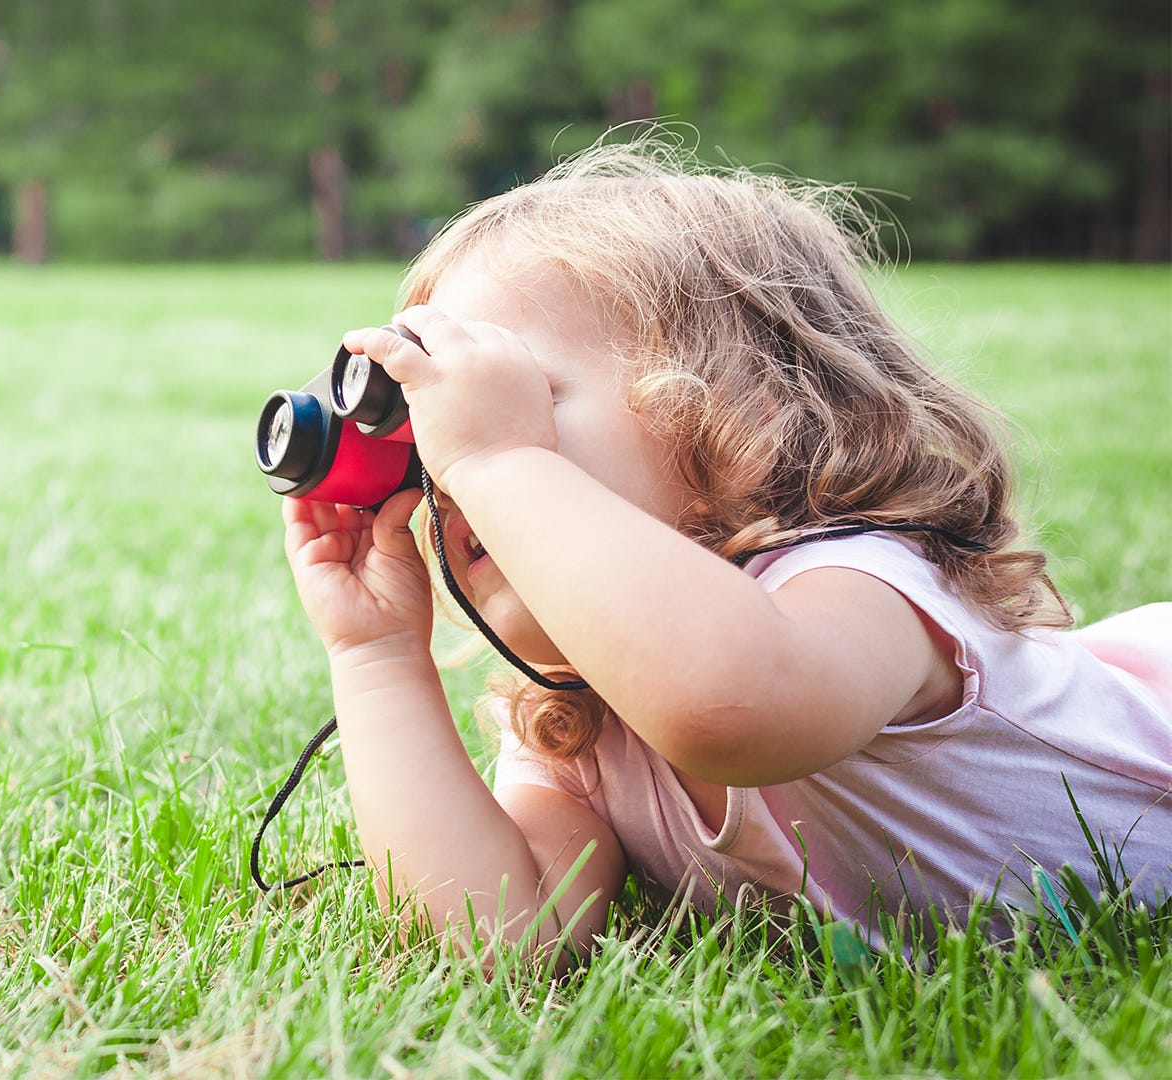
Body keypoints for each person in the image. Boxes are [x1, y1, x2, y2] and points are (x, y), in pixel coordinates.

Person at [279, 135, 1172, 962]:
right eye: (436, 424)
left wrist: (498, 456)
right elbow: (504, 934)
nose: (447, 457)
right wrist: (376, 656)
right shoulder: (573, 720)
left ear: (744, 415)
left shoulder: (860, 588)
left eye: (519, 395)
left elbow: (730, 705)